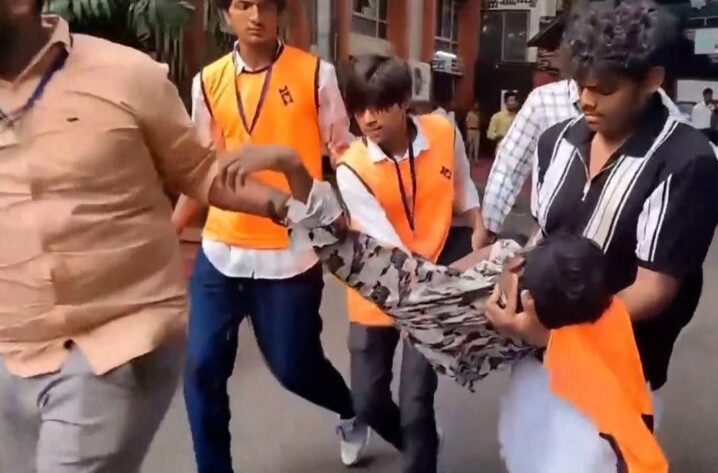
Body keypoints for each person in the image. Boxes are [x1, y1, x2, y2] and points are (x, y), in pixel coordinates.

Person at [217, 146, 668, 473]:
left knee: (415, 404)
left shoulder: (577, 353)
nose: (500, 283)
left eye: (506, 291)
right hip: (460, 302)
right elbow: (389, 265)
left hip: (490, 333)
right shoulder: (518, 278)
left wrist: (292, 170)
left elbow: (633, 440)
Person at [0, 0, 297, 471]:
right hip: (11, 350)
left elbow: (198, 171)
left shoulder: (125, 75)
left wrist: (291, 206)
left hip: (113, 344)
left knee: (286, 364)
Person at [169, 0, 369, 470]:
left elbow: (344, 151)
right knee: (201, 368)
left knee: (295, 368)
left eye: (265, 5)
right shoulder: (207, 82)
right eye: (243, 5)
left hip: (291, 254)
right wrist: (168, 231)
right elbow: (201, 169)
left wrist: (361, 214)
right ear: (226, 15)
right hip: (222, 250)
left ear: (280, 12)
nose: (256, 16)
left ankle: (350, 409)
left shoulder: (315, 74)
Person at [527, 0, 718, 409]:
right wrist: (513, 284)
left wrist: (561, 331)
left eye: (605, 89)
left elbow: (654, 288)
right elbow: (543, 235)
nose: (586, 100)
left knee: (608, 442)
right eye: (581, 85)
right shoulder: (554, 142)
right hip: (543, 351)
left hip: (626, 357)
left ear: (651, 80)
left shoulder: (685, 160)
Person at [335, 54, 483, 473]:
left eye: (379, 106)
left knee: (417, 401)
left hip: (430, 287)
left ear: (404, 102)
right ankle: (421, 444)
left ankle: (420, 454)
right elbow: (386, 244)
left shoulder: (443, 131)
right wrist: (416, 298)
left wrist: (476, 221)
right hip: (377, 289)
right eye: (359, 109)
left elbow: (461, 181)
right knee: (367, 401)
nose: (368, 119)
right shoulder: (352, 168)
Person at [477, 81, 718, 254]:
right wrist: (488, 226)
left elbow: (693, 150)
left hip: (630, 247)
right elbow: (508, 165)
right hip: (557, 246)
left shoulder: (645, 98)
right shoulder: (544, 102)